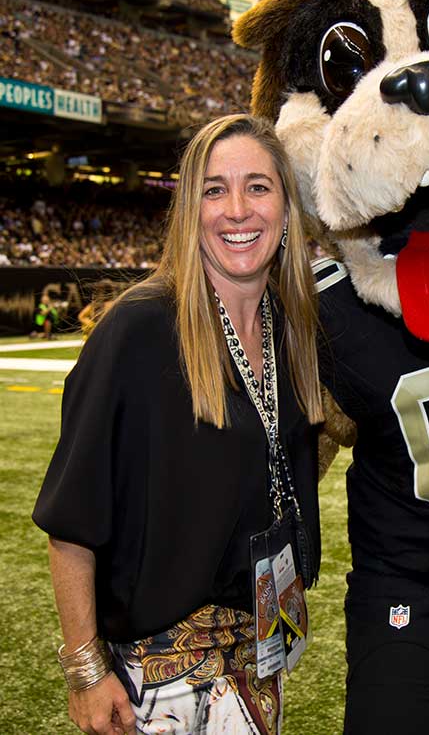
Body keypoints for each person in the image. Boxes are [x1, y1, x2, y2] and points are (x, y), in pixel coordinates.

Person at [33, 114, 324, 735]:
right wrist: (86, 669)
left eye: (258, 186)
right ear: (189, 211)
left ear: (287, 206)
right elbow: (72, 522)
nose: (237, 210)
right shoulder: (138, 331)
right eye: (213, 190)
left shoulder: (291, 330)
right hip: (155, 677)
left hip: (256, 664)